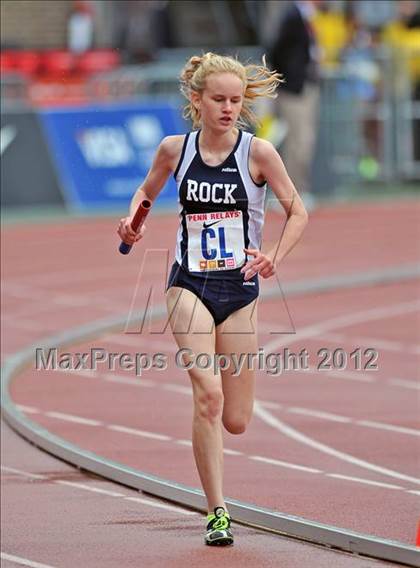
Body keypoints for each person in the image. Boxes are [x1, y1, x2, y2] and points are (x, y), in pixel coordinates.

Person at [117, 52, 308, 546]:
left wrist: (273, 256)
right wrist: (131, 219)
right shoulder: (173, 150)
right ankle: (217, 512)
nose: (227, 108)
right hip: (189, 285)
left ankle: (220, 467)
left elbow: (298, 212)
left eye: (236, 100)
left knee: (237, 420)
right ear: (196, 100)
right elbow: (146, 191)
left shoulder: (259, 153)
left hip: (241, 291)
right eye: (218, 100)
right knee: (208, 395)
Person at [267, 0, 321, 211]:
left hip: (305, 87)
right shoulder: (292, 16)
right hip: (294, 89)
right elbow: (276, 50)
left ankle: (297, 191)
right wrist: (287, 78)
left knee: (303, 141)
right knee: (297, 142)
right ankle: (289, 195)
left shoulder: (305, 17)